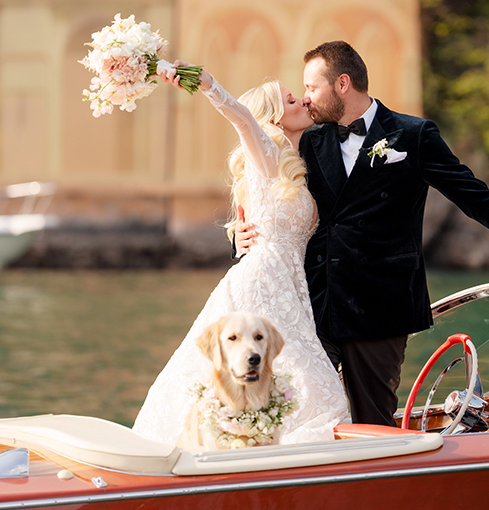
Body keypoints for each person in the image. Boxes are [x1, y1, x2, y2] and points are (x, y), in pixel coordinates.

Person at [237, 41, 489, 427]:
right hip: (312, 306)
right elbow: (267, 197)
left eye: (311, 87)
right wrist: (240, 237)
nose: (305, 99)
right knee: (293, 413)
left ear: (342, 83)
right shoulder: (307, 140)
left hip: (380, 309)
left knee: (374, 423)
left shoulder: (413, 135)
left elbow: (482, 202)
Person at [133, 64, 348, 446]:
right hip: (260, 285)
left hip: (291, 288)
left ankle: (257, 444)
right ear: (274, 117)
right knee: (311, 382)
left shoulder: (293, 167)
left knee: (294, 378)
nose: (302, 100)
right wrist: (209, 84)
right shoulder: (264, 155)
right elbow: (243, 120)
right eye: (290, 99)